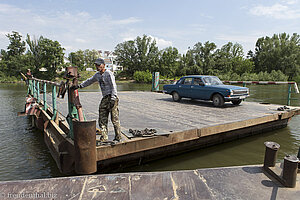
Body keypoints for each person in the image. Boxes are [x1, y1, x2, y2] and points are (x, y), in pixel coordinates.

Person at [75, 58, 121, 142]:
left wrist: (113, 99)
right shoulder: (97, 75)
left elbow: (113, 86)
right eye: (96, 65)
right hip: (105, 98)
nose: (97, 67)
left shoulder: (109, 74)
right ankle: (104, 137)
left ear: (103, 65)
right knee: (102, 117)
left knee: (114, 118)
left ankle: (118, 137)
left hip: (112, 97)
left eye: (99, 65)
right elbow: (90, 81)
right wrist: (79, 86)